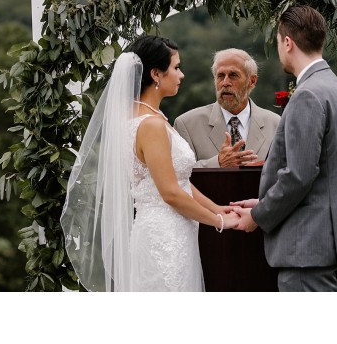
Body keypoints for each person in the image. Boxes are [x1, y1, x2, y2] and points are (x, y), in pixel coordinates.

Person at [60, 35, 240, 291]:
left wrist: (218, 208)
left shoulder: (145, 117)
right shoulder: (151, 125)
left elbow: (180, 182)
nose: (182, 75)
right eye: (176, 68)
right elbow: (170, 193)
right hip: (164, 237)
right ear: (156, 74)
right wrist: (220, 222)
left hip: (169, 231)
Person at [231, 5, 337, 292]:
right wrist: (263, 203)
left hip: (307, 247)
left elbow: (299, 175)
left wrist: (259, 216)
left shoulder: (308, 95)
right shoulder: (336, 88)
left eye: (278, 41)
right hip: (334, 240)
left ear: (287, 42)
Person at [174, 48, 280, 168]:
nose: (225, 82)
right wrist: (218, 163)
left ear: (252, 81)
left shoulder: (276, 124)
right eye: (220, 76)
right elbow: (177, 174)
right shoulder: (187, 124)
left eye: (233, 75)